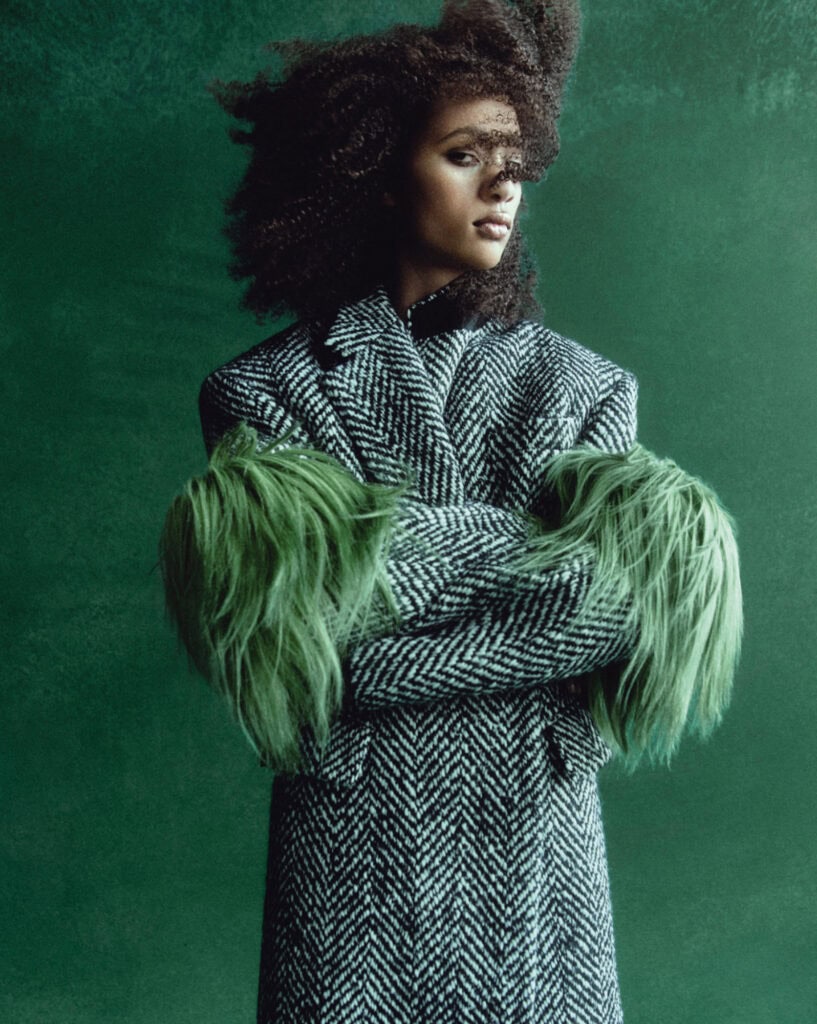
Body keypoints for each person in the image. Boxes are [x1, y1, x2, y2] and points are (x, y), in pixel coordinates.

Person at [159, 2, 742, 1021]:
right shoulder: (262, 393)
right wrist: (533, 557)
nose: (502, 184)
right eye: (466, 153)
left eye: (513, 159)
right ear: (380, 171)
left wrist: (371, 575)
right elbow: (302, 635)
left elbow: (601, 612)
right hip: (352, 861)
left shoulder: (585, 389)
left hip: (534, 852)